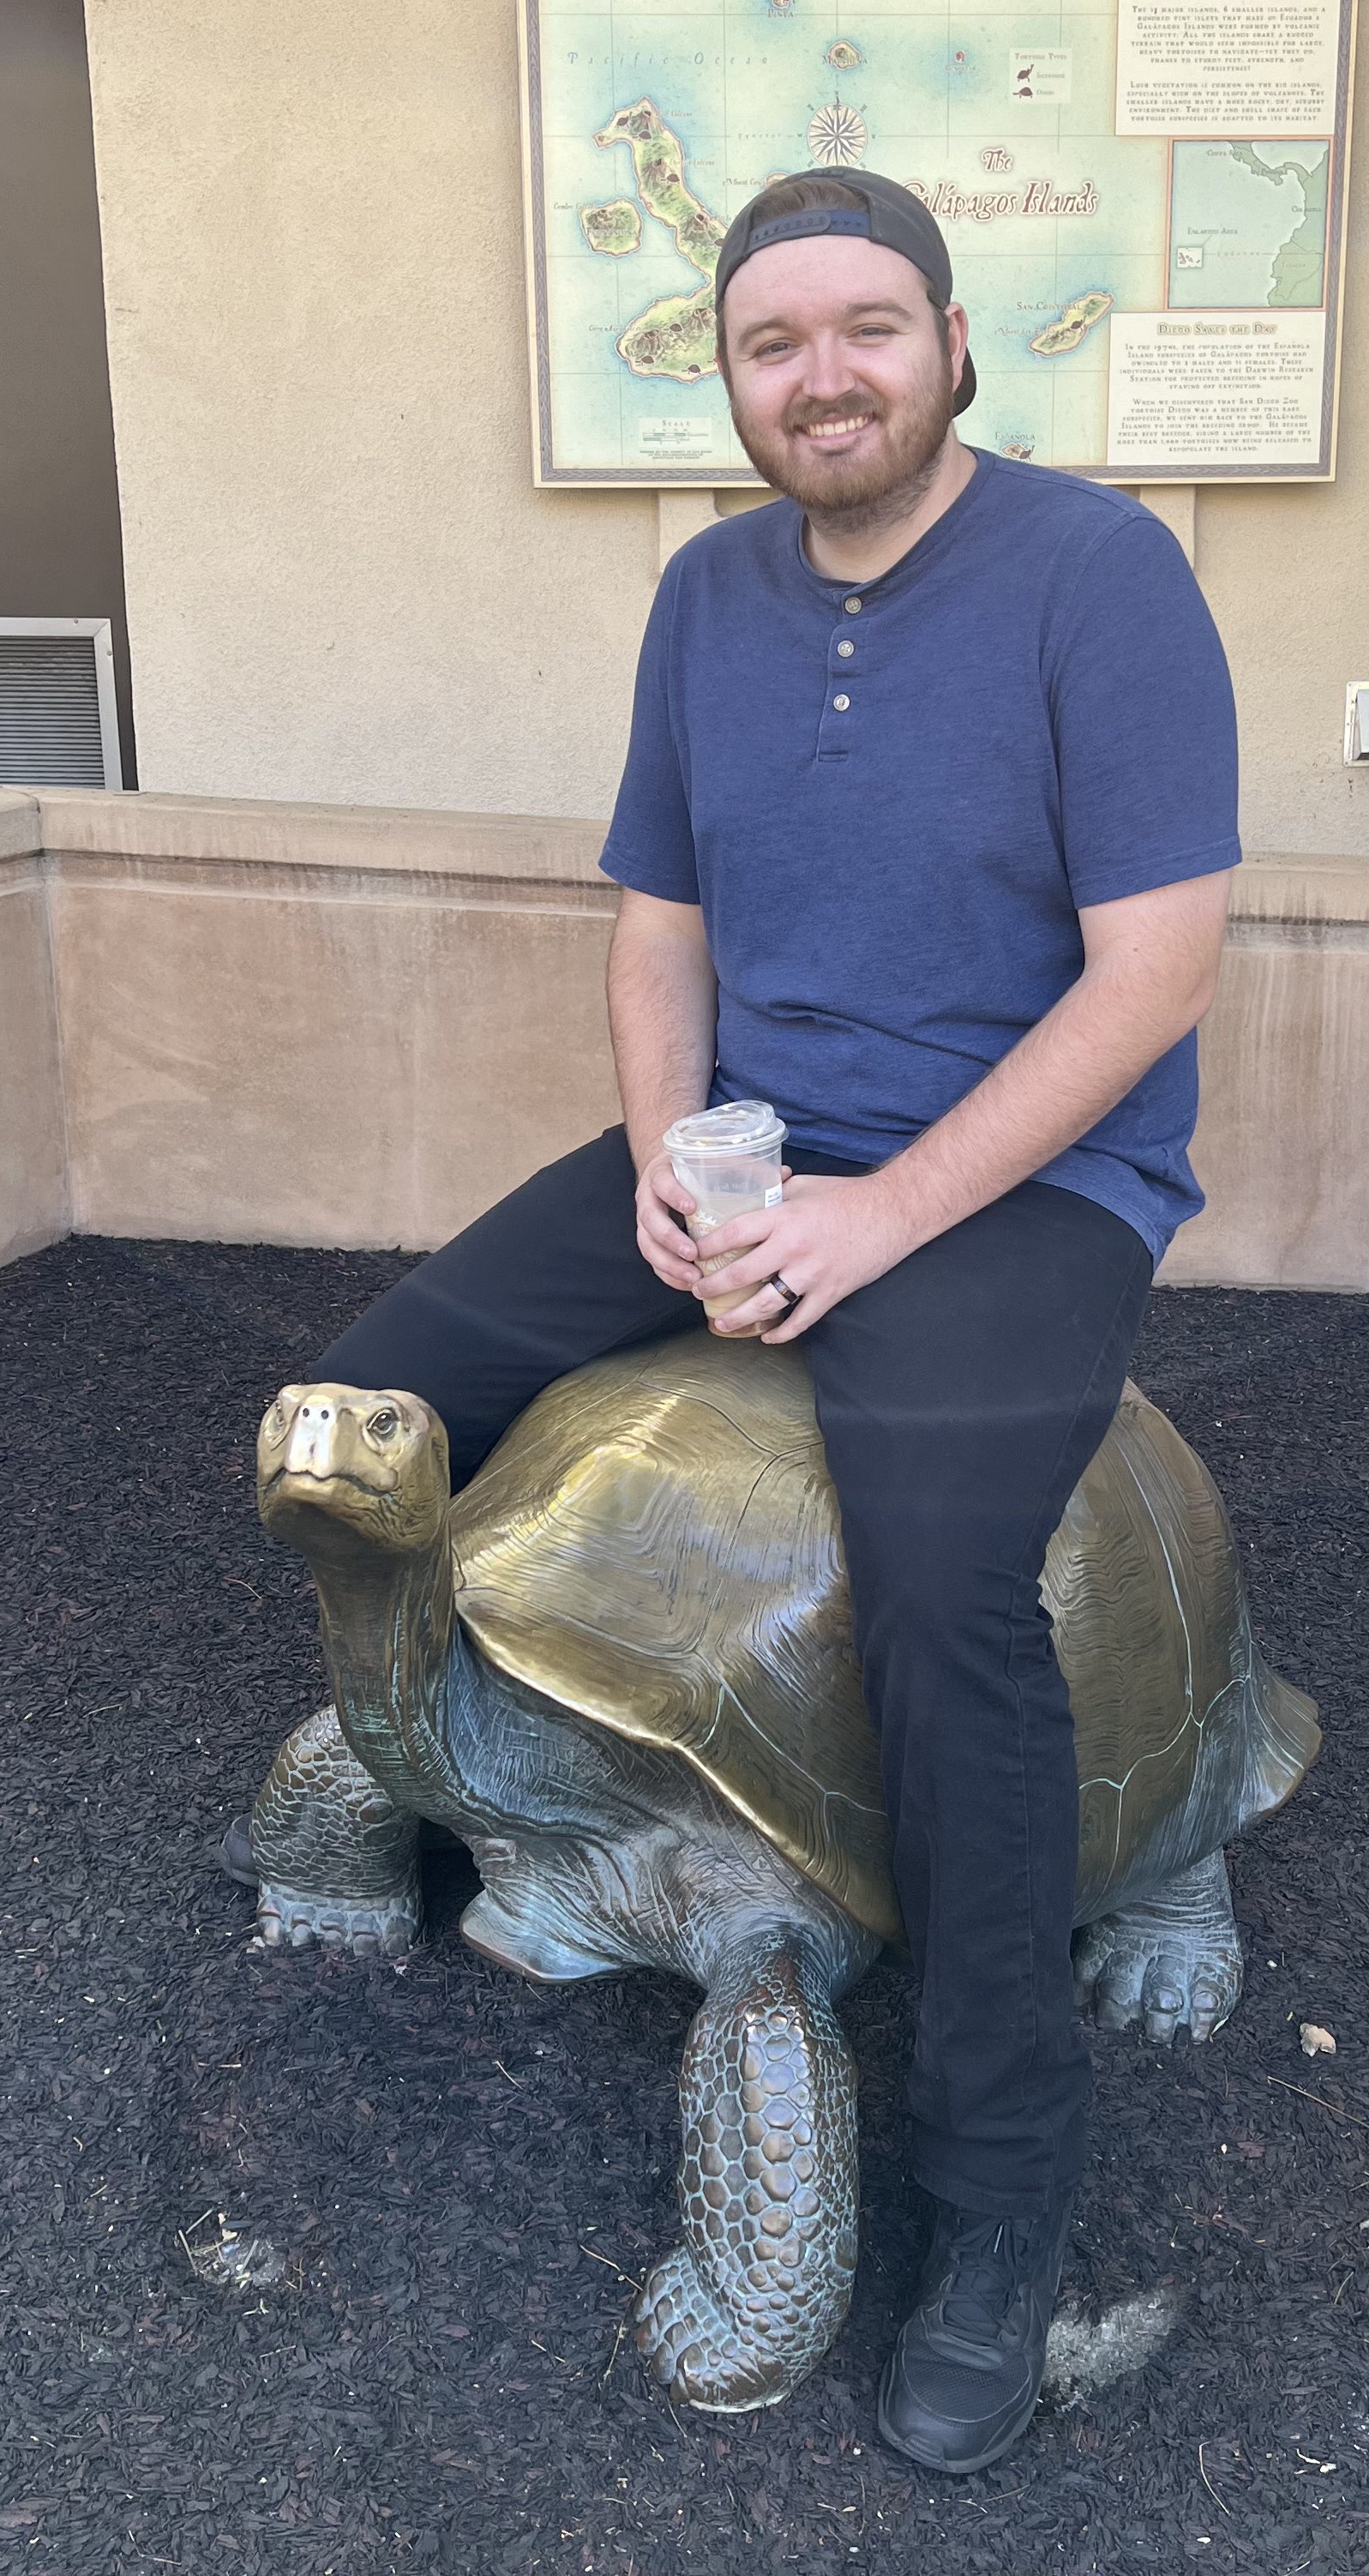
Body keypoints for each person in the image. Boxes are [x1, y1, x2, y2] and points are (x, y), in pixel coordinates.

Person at [293, 167, 1239, 2471]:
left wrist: (868, 1220)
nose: (821, 374)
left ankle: (996, 2204)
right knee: (358, 1406)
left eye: (866, 328)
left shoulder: (1096, 576)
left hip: (1015, 1187)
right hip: (747, 1148)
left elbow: (1156, 968)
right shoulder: (704, 595)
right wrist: (664, 1162)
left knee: (946, 1606)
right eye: (770, 340)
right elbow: (656, 926)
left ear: (948, 345)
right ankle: (470, 1795)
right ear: (724, 373)